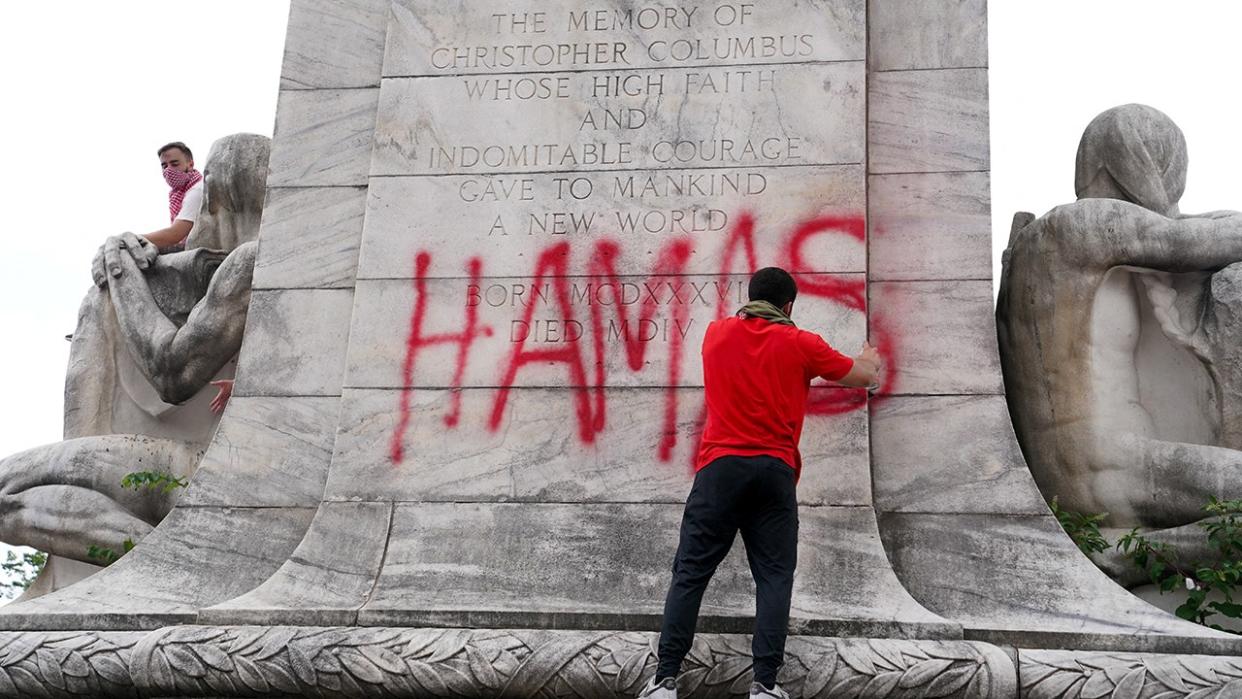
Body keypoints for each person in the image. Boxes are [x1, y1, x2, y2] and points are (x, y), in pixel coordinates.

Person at [640, 267, 882, 699]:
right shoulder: (802, 342)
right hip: (773, 471)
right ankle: (764, 686)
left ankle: (664, 680)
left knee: (690, 573)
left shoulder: (715, 334)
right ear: (788, 305)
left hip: (720, 468)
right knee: (774, 578)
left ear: (750, 296)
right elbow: (862, 377)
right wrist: (870, 357)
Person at [146, 141, 204, 252]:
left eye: (174, 164)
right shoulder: (179, 193)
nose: (168, 170)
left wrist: (133, 239)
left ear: (190, 165)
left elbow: (176, 234)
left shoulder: (197, 190)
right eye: (164, 166)